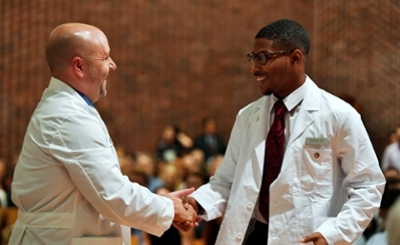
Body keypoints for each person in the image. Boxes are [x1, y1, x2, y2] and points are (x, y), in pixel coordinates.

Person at [182, 19, 385, 245]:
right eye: (252, 58)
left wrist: (334, 233)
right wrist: (197, 203)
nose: (254, 68)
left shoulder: (338, 115)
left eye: (263, 58)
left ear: (295, 58)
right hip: (254, 236)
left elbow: (367, 185)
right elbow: (226, 181)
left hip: (308, 239)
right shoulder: (247, 117)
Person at [9, 23, 196, 245]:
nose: (113, 65)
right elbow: (112, 196)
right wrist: (168, 208)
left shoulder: (69, 108)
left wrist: (158, 203)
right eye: (105, 57)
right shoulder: (68, 116)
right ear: (79, 66)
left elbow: (101, 192)